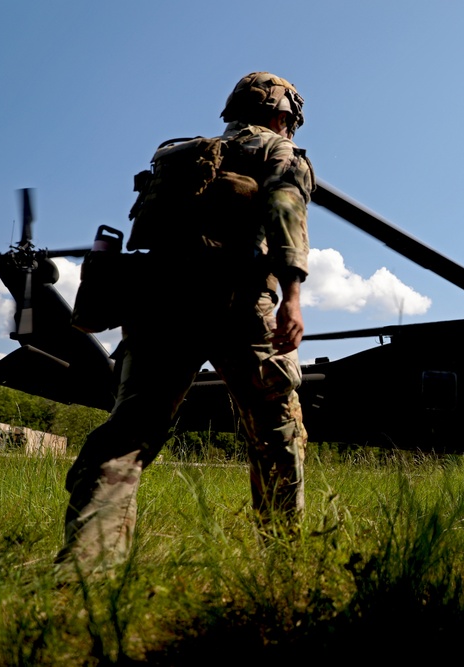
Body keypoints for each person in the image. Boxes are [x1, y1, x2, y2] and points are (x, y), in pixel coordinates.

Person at [56, 72, 315, 576]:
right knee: (276, 435)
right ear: (284, 116)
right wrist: (293, 296)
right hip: (240, 304)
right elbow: (286, 207)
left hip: (158, 302)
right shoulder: (278, 152)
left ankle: (85, 566)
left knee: (129, 433)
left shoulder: (179, 157)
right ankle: (283, 567)